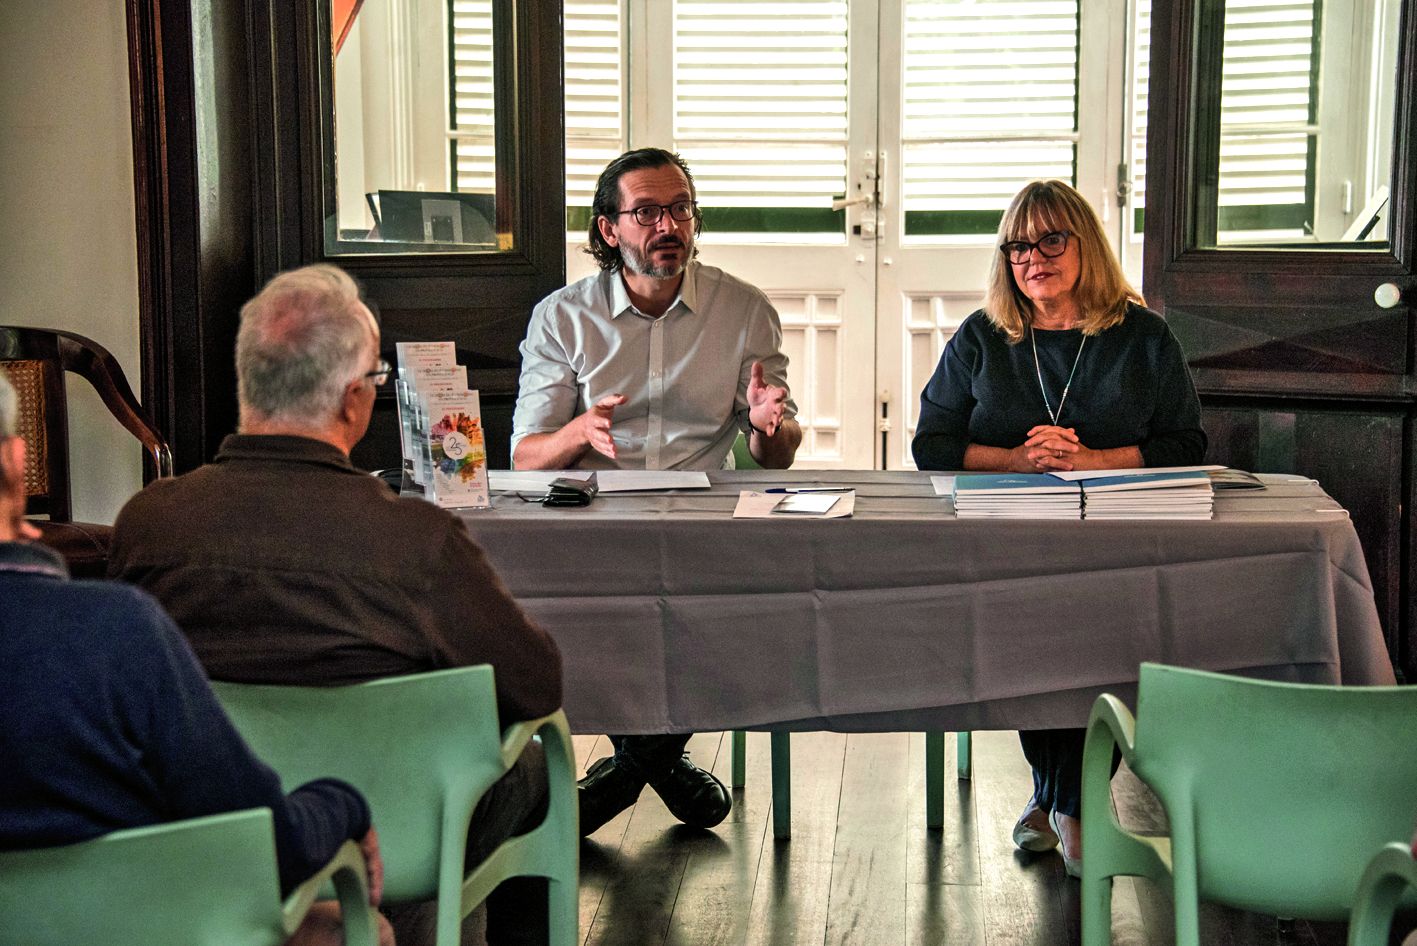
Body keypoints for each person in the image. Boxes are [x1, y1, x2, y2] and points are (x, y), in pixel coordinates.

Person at [108, 264, 562, 946]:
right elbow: (534, 684)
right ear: (354, 400)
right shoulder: (416, 539)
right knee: (534, 768)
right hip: (399, 826)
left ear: (246, 385)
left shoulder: (149, 522)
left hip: (219, 827)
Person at [0, 372, 391, 946]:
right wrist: (343, 805)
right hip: (142, 926)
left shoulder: (138, 556)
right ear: (15, 462)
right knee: (357, 931)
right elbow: (262, 839)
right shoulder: (114, 632)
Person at [911, 179, 1206, 877]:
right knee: (1035, 629)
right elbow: (932, 444)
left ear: (1085, 246)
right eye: (1017, 245)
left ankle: (1054, 802)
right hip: (1009, 542)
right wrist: (1016, 459)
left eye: (1049, 239)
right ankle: (1072, 811)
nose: (1031, 257)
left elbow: (1184, 445)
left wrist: (1093, 460)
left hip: (1119, 544)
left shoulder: (1142, 337)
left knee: (1080, 628)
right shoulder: (984, 335)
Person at [511, 147, 802, 836]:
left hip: (704, 517)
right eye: (646, 211)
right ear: (609, 229)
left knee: (731, 605)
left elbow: (777, 458)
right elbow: (526, 458)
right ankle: (661, 764)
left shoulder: (743, 311)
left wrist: (769, 425)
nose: (667, 225)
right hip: (593, 519)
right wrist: (578, 428)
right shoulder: (563, 317)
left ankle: (626, 769)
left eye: (679, 209)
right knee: (583, 609)